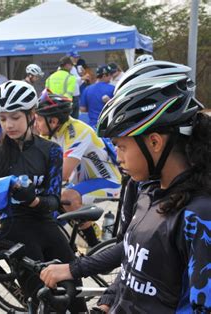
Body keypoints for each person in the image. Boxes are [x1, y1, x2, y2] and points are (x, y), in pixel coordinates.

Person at [40, 61, 211, 313]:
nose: (117, 156)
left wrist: (75, 269)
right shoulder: (146, 192)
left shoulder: (199, 216)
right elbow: (133, 259)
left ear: (154, 142)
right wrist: (108, 301)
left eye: (121, 146)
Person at [0, 80, 87, 312]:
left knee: (75, 296)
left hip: (46, 225)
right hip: (13, 230)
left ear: (31, 114)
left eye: (15, 117)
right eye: (3, 118)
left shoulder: (51, 151)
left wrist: (34, 200)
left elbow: (55, 201)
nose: (9, 124)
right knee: (40, 302)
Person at [34, 90, 121, 247]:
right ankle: (72, 238)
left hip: (108, 181)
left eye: (38, 120)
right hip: (84, 182)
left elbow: (64, 174)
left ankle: (95, 245)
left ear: (53, 121)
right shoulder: (52, 131)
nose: (35, 124)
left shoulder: (77, 131)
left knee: (68, 198)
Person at [68, 50, 91, 119]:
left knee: (75, 117)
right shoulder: (65, 68)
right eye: (74, 57)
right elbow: (70, 80)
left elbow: (78, 83)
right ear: (69, 58)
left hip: (75, 96)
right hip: (69, 96)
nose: (76, 59)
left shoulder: (74, 67)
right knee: (70, 117)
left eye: (77, 57)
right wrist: (82, 78)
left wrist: (83, 76)